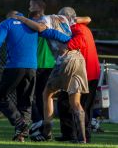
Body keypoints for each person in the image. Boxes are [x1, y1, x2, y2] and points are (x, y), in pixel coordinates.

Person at [11, 8, 89, 143]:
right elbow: (86, 18)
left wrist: (22, 19)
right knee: (75, 102)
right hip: (79, 59)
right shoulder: (66, 20)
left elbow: (41, 28)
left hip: (65, 59)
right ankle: (82, 139)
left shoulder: (45, 19)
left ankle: (47, 131)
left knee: (47, 93)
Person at [0, 11, 38, 142]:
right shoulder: (33, 25)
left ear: (10, 17)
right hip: (32, 67)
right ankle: (21, 134)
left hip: (15, 67)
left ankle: (19, 123)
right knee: (25, 101)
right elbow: (50, 33)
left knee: (1, 97)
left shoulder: (7, 23)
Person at [56, 7, 100, 143]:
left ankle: (82, 136)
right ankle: (71, 134)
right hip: (87, 72)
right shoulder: (81, 27)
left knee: (80, 106)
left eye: (61, 19)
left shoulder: (77, 30)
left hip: (85, 74)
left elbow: (72, 45)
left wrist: (63, 45)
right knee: (66, 102)